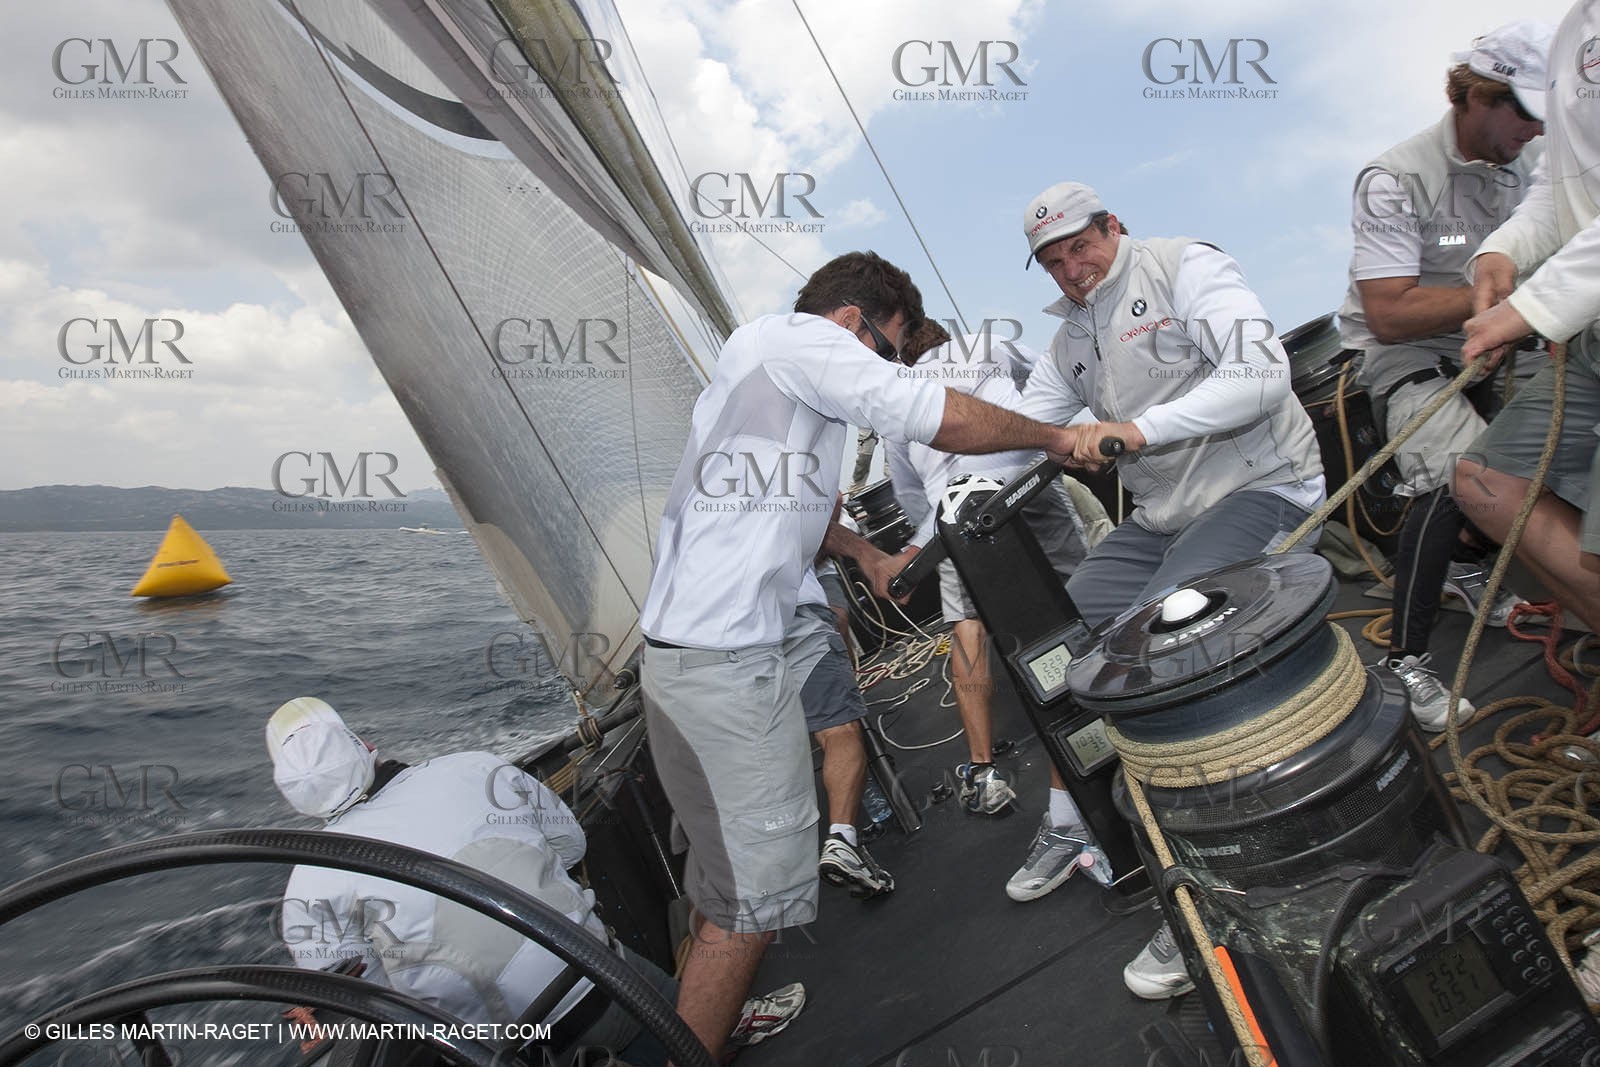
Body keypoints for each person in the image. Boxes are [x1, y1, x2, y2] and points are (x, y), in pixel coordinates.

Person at [637, 250, 1089, 1061]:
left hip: (715, 655)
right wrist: (1056, 435)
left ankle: (696, 1019)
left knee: (727, 885)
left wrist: (863, 552)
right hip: (726, 670)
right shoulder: (801, 342)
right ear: (852, 323)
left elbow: (780, 505)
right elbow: (932, 414)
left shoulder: (762, 369)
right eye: (889, 348)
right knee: (752, 906)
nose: (889, 363)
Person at [1007, 182, 1327, 999]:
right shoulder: (1069, 342)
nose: (1071, 267)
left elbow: (1263, 373)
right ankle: (1080, 818)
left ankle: (1217, 887)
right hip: (1167, 515)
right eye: (1052, 259)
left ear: (1114, 226)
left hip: (1263, 486)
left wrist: (1136, 430)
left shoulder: (1186, 266)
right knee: (1057, 633)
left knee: (1170, 639)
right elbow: (1020, 432)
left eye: (1080, 244)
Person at [267, 697, 805, 1066]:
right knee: (680, 1024)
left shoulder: (309, 883)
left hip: (507, 1049)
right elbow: (571, 845)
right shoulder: (474, 768)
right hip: (608, 988)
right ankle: (723, 1025)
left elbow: (350, 998)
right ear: (363, 744)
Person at [1338, 20, 1550, 730]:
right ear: (1476, 97)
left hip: (1509, 339)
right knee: (1460, 472)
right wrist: (1516, 298)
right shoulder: (1394, 180)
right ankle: (1405, 661)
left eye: (1543, 111)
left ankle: (1468, 568)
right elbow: (1390, 311)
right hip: (1411, 354)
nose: (1534, 126)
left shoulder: (1536, 156)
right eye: (1521, 109)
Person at [869, 330, 1108, 903]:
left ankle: (984, 772)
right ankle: (1112, 721)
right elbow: (1047, 391)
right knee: (1079, 610)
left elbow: (907, 494)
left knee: (969, 633)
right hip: (1021, 490)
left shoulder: (891, 396)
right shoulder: (987, 344)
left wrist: (931, 534)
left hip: (957, 515)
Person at [1454, 0, 1600, 641]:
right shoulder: (1576, 30)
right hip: (1591, 330)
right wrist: (1500, 251)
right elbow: (1557, 181)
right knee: (1485, 481)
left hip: (1572, 310)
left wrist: (1532, 310)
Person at [796, 562, 895, 898]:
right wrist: (870, 555)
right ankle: (842, 840)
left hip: (732, 637)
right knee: (838, 729)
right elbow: (829, 515)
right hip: (791, 613)